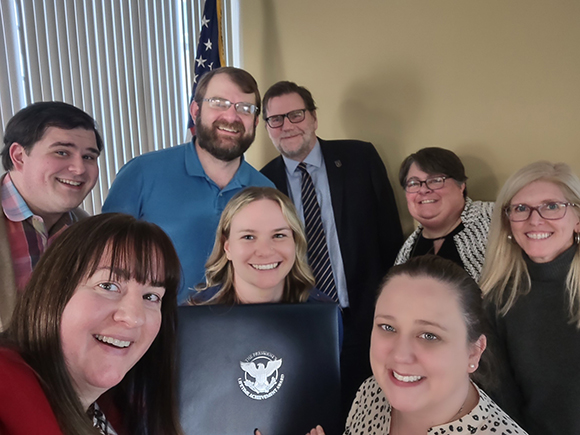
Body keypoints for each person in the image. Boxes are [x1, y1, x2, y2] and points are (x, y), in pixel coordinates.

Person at [260, 81, 404, 416]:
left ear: (313, 118)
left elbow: (390, 238)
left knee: (376, 413)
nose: (287, 126)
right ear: (266, 128)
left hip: (367, 316)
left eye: (296, 114)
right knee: (317, 413)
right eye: (276, 120)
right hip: (301, 322)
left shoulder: (360, 158)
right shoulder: (263, 181)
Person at [103, 67, 274, 304]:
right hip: (153, 332)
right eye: (219, 103)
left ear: (255, 121)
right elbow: (104, 264)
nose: (232, 117)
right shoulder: (141, 173)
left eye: (245, 109)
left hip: (240, 331)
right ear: (196, 110)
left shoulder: (268, 193)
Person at [0, 213, 182, 434]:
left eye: (151, 297)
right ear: (53, 291)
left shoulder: (118, 410)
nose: (134, 317)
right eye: (107, 286)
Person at [304, 255, 527, 435]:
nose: (400, 355)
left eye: (429, 335)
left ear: (473, 352)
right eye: (388, 327)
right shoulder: (371, 394)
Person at [480, 161, 580, 435]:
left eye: (552, 206)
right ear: (508, 222)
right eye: (521, 208)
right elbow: (499, 396)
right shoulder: (496, 298)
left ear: (578, 220)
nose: (535, 220)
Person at [0, 101, 102, 330]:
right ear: (18, 156)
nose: (78, 168)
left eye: (88, 157)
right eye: (62, 152)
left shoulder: (91, 234)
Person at [190, 186, 330, 304]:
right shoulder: (192, 318)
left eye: (279, 235)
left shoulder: (324, 313)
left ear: (296, 242)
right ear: (227, 247)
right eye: (248, 237)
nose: (265, 251)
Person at [395, 147, 494, 282]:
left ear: (461, 185)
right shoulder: (407, 249)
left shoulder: (495, 219)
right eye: (413, 183)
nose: (423, 190)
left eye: (435, 180)